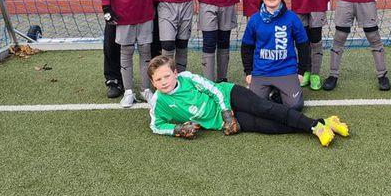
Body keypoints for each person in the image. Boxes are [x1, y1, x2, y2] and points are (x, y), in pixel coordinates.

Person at [146, 55, 348, 147]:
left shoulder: (188, 78)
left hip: (228, 96)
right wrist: (177, 129)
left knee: (264, 107)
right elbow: (156, 125)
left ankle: (315, 127)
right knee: (266, 127)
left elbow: (214, 90)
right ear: (153, 83)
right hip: (220, 122)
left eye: (167, 76)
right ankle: (325, 122)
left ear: (175, 73)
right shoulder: (158, 101)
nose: (164, 82)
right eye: (158, 80)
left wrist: (227, 113)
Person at [241, 0, 311, 110]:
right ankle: (272, 90)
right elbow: (246, 47)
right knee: (255, 107)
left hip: (286, 70)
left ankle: (279, 92)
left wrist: (301, 72)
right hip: (261, 71)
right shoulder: (254, 20)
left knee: (295, 106)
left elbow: (303, 45)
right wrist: (248, 72)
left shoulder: (292, 18)